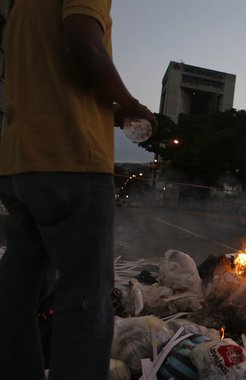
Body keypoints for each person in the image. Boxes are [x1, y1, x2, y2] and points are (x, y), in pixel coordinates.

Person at [0, 1, 157, 380]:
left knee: (17, 294)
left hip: (20, 161)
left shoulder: (21, 7)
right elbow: (82, 47)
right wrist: (132, 104)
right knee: (84, 300)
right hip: (70, 158)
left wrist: (109, 109)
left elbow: (52, 75)